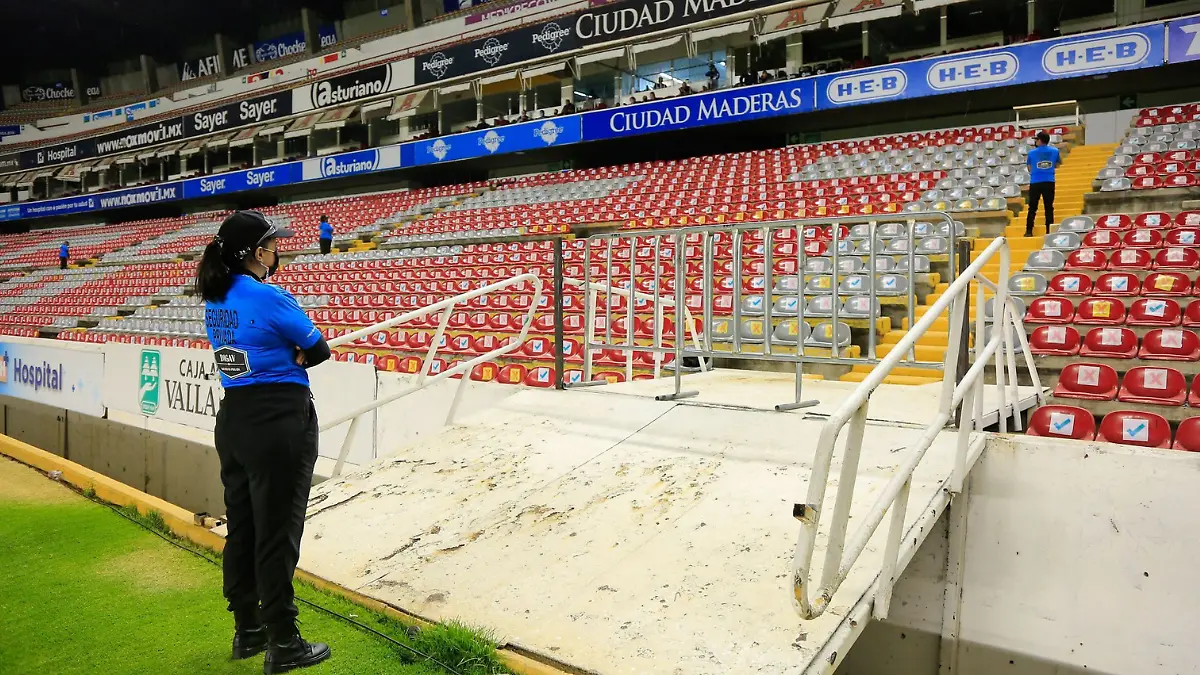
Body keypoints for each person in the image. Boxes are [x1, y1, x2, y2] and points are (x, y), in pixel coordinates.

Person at [194, 210, 333, 674]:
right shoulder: (269, 295)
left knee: (245, 526)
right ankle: (284, 640)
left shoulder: (215, 295)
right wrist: (295, 352)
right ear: (256, 252)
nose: (279, 252)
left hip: (234, 418)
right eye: (274, 245)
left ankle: (248, 629)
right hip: (278, 419)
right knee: (277, 533)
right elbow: (318, 349)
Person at [1025, 131, 1061, 237]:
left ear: (1040, 140)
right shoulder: (1055, 151)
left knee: (1032, 207)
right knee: (1049, 207)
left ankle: (1029, 230)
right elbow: (1057, 164)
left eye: (1036, 140)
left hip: (1035, 181)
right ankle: (1049, 230)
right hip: (1049, 181)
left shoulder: (1032, 153)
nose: (1035, 142)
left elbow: (1029, 168)